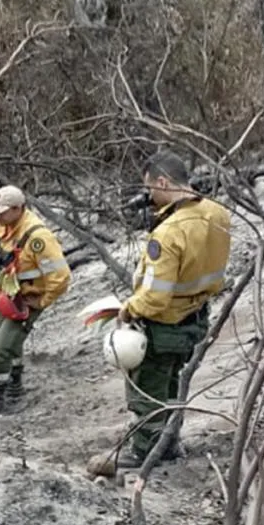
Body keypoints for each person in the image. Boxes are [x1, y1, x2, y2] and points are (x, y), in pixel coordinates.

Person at [111, 150, 231, 470]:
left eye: (151, 188)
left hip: (164, 323)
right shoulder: (218, 214)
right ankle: (171, 441)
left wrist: (127, 310)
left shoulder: (168, 233)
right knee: (174, 381)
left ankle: (146, 450)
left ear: (163, 181)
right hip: (197, 316)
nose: (149, 196)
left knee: (148, 387)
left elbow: (155, 297)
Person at [0, 185, 72, 415]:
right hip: (5, 295)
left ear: (18, 209)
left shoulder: (39, 238)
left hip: (27, 298)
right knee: (10, 343)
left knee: (1, 348)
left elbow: (60, 277)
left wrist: (42, 302)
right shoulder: (2, 228)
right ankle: (15, 388)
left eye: (3, 211)